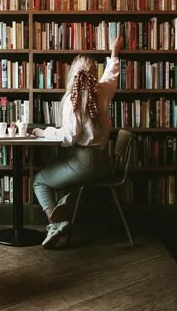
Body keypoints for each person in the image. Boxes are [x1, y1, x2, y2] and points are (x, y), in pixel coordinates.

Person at [33, 33, 123, 248]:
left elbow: (67, 137)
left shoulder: (73, 102)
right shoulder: (102, 91)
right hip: (104, 163)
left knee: (40, 180)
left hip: (83, 164)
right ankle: (66, 203)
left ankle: (55, 225)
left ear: (71, 74)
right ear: (93, 74)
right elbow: (111, 75)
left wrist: (43, 133)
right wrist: (114, 52)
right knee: (58, 171)